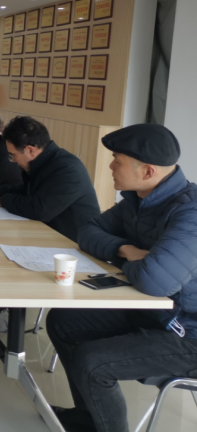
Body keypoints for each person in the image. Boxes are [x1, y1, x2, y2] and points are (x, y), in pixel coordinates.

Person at [47, 124, 197, 433]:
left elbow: (154, 281)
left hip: (189, 331)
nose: (111, 166)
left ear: (147, 171)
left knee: (92, 363)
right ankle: (89, 418)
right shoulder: (137, 200)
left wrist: (139, 262)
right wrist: (126, 250)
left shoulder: (190, 212)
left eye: (117, 160)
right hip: (155, 313)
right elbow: (86, 231)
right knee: (63, 320)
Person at [0, 116, 100, 242]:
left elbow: (39, 209)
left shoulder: (68, 169)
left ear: (30, 150)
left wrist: (4, 200)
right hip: (50, 235)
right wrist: (1, 190)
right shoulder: (46, 161)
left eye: (13, 155)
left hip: (74, 244)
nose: (14, 161)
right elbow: (32, 191)